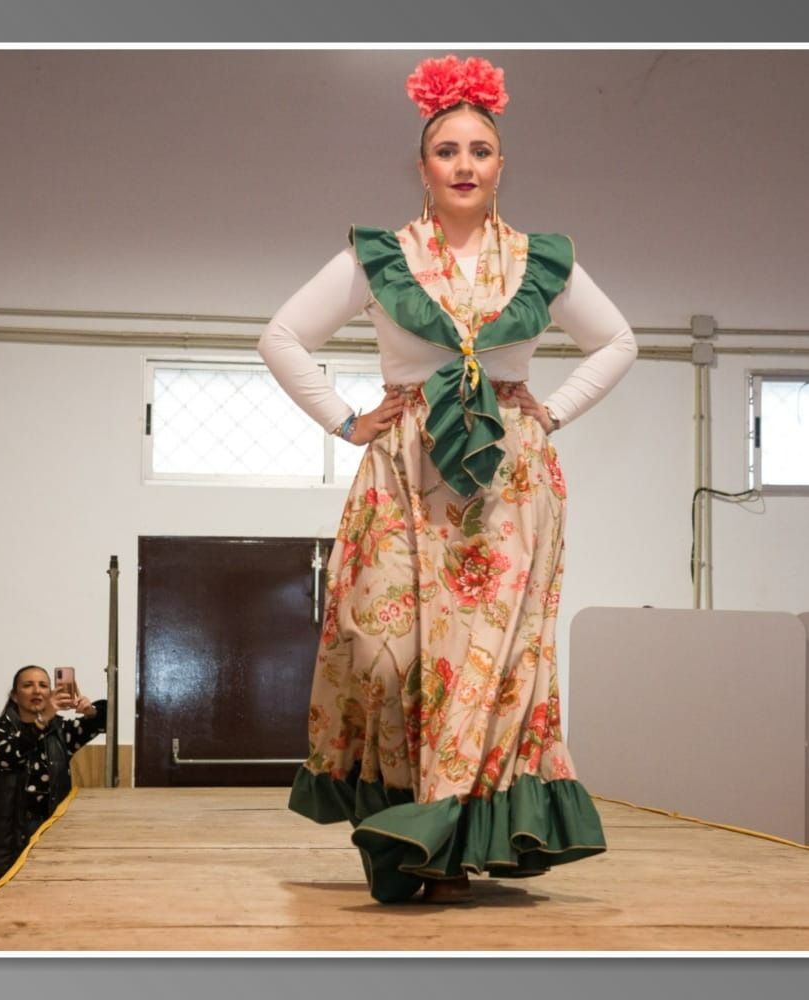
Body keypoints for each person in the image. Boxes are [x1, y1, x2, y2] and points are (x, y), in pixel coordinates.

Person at [261, 54, 637, 904]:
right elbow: (282, 336)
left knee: (485, 664)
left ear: (501, 166)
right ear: (422, 166)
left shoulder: (541, 260)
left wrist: (551, 410)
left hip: (507, 481)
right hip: (402, 468)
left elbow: (618, 341)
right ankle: (399, 823)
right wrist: (345, 419)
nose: (464, 163)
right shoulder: (381, 257)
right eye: (446, 150)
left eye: (479, 149)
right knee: (387, 657)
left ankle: (450, 834)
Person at [0, 665, 106, 911]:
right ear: (14, 695)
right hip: (2, 837)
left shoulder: (60, 732)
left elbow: (107, 719)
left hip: (47, 836)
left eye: (44, 685)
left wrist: (89, 711)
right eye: (28, 685)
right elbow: (11, 756)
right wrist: (44, 719)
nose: (37, 691)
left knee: (45, 909)